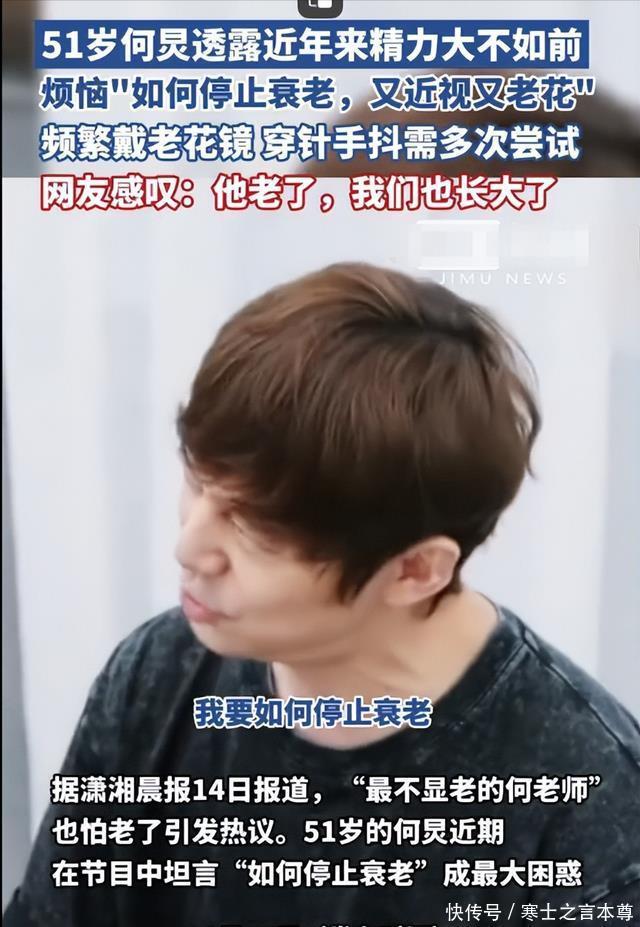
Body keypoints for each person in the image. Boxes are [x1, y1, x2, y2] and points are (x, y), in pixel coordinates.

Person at [5, 263, 640, 927]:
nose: (189, 548)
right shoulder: (159, 673)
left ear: (415, 570)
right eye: (197, 482)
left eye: (255, 529)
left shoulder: (587, 809)